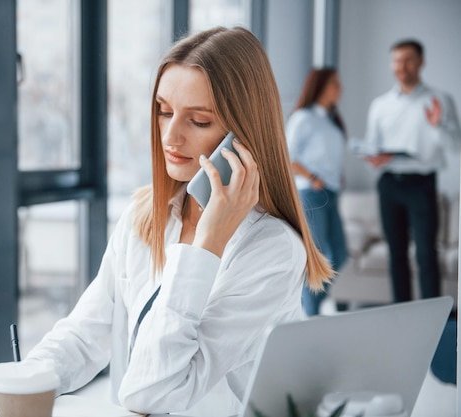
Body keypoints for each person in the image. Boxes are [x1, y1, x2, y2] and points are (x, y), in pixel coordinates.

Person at [24, 27, 333, 417]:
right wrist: (26, 380)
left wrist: (206, 244)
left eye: (199, 121)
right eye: (164, 111)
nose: (170, 135)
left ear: (244, 138)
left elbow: (154, 392)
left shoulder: (271, 249)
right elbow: (87, 334)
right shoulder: (146, 214)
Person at [364, 39, 461, 302]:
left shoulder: (439, 100)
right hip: (389, 184)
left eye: (408, 60)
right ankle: (402, 315)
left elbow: (456, 147)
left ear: (421, 62)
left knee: (426, 253)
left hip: (422, 185)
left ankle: (434, 316)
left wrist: (438, 125)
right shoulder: (380, 105)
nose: (401, 66)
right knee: (396, 253)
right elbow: (373, 145)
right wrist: (374, 157)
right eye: (396, 60)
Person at [286, 68, 349, 316]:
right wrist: (313, 177)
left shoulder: (330, 121)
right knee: (317, 257)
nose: (339, 88)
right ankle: (309, 315)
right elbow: (287, 157)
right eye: (335, 83)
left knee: (340, 254)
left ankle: (310, 306)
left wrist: (336, 175)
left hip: (331, 193)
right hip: (311, 194)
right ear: (320, 86)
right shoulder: (303, 118)